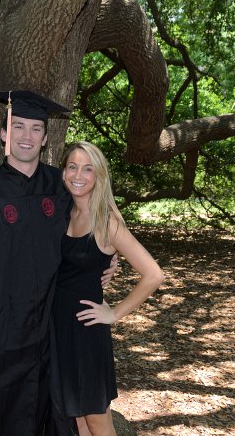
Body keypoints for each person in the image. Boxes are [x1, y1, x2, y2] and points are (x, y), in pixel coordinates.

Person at [0, 91, 115, 435]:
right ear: (4, 133)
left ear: (46, 138)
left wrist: (106, 257)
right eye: (18, 127)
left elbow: (94, 219)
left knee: (31, 418)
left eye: (35, 129)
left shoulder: (60, 188)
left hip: (42, 337)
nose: (26, 136)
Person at [52, 142, 165, 436]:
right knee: (76, 418)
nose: (79, 174)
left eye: (88, 168)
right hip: (59, 329)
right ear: (63, 171)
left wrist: (114, 313)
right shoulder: (62, 213)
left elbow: (153, 274)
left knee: (96, 418)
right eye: (73, 166)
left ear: (99, 176)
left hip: (87, 332)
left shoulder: (107, 222)